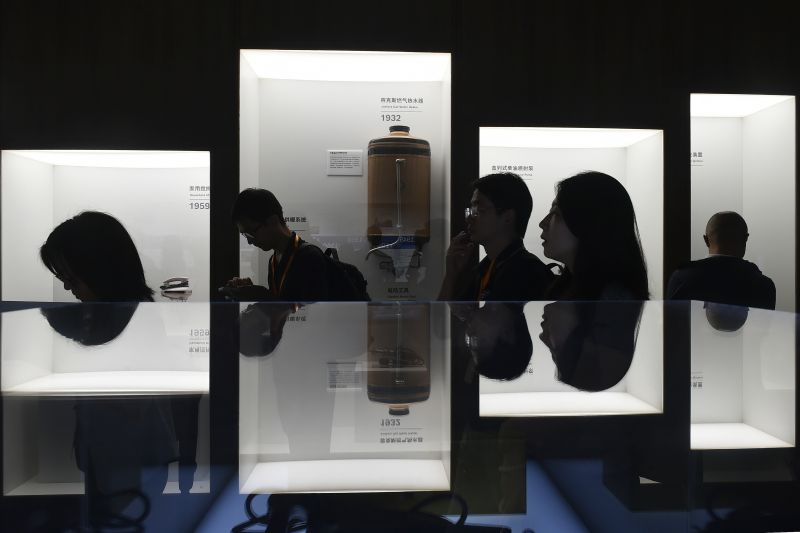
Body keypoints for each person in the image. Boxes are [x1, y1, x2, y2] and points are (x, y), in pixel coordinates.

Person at [438, 172, 553, 301]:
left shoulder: (528, 273)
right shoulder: (485, 268)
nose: (469, 218)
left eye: (479, 210)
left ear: (508, 217)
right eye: (471, 209)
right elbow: (442, 314)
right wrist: (451, 274)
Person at [539, 171, 649, 300]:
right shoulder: (571, 288)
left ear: (589, 223)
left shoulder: (614, 301)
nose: (543, 223)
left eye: (556, 213)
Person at [226, 188, 331, 301]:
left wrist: (262, 295)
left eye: (251, 233)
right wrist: (252, 291)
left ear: (273, 221)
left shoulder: (309, 257)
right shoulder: (274, 260)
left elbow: (313, 310)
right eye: (245, 235)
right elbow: (282, 303)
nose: (249, 241)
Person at [667, 211, 776, 310]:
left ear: (706, 240)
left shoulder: (681, 278)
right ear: (745, 238)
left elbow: (673, 322)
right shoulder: (764, 285)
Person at [40, 211, 154, 302]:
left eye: (71, 280)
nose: (67, 287)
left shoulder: (135, 319)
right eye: (62, 277)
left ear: (102, 271)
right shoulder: (132, 313)